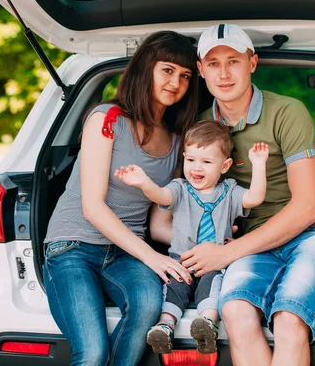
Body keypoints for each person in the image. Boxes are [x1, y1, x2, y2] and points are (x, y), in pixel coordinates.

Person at [152, 23, 315, 365]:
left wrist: (223, 254)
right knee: (234, 312)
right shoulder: (199, 129)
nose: (224, 73)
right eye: (213, 64)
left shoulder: (287, 112)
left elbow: (307, 208)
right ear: (200, 70)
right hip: (253, 245)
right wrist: (204, 245)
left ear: (253, 63)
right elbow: (164, 216)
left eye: (234, 61)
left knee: (289, 318)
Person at [42, 31, 200, 366]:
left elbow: (158, 226)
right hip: (73, 246)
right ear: (146, 68)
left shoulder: (175, 143)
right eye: (167, 70)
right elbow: (93, 207)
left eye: (185, 76)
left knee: (145, 306)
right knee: (93, 352)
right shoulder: (107, 118)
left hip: (124, 254)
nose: (176, 82)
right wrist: (153, 260)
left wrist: (207, 244)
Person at [115, 120, 269, 355]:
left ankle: (206, 325)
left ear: (225, 166)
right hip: (181, 261)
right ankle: (165, 327)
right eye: (191, 160)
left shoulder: (230, 192)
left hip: (213, 264)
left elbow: (255, 198)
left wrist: (259, 165)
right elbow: (161, 195)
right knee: (173, 290)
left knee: (212, 287)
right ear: (184, 158)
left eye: (207, 162)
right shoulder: (180, 188)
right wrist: (144, 182)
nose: (197, 168)